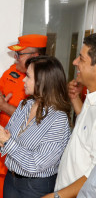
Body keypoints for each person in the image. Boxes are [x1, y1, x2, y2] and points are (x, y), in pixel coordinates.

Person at [0, 56, 72, 197]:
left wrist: (6, 141)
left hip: (35, 187)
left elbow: (35, 164)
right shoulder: (26, 105)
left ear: (43, 82)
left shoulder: (58, 119)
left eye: (28, 76)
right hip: (11, 180)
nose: (23, 80)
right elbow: (8, 139)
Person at [0, 34, 47, 198]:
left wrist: (5, 106)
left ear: (35, 56)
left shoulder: (46, 80)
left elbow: (40, 118)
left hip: (28, 164)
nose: (15, 58)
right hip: (4, 156)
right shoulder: (11, 72)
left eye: (20, 54)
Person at [43, 33, 96, 198]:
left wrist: (57, 196)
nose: (74, 62)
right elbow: (87, 129)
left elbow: (93, 175)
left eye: (81, 59)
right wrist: (74, 99)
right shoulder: (90, 96)